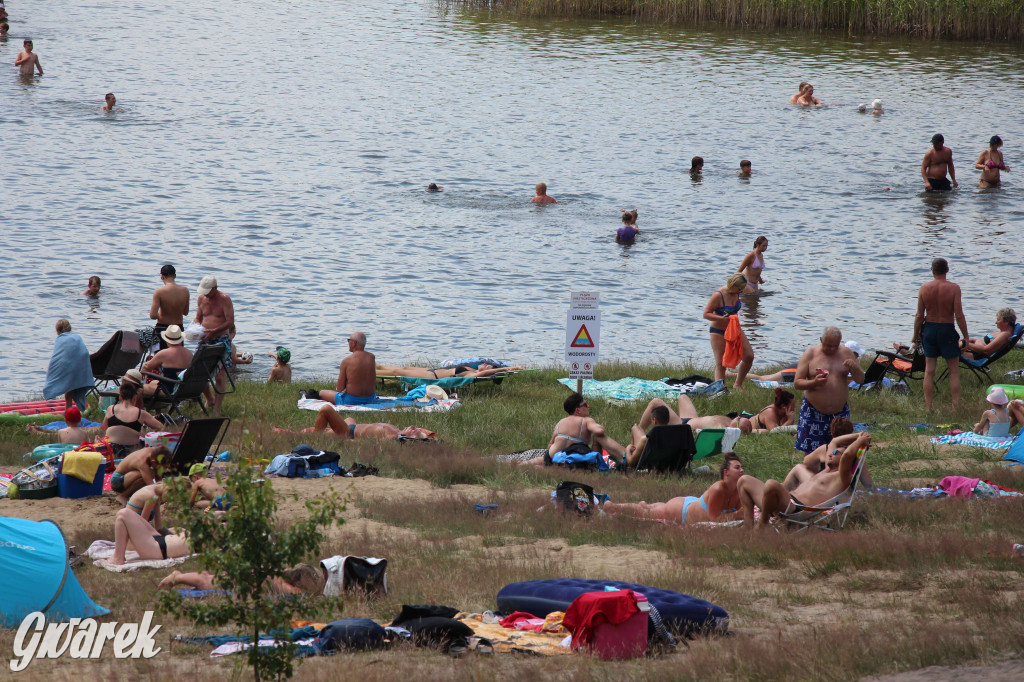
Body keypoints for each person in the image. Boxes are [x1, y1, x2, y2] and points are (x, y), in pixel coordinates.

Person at [739, 431, 870, 530]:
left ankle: (763, 523)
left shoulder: (842, 478)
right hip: (785, 500)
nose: (831, 453)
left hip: (795, 509)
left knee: (771, 484)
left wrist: (859, 442)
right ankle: (748, 524)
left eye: (836, 452)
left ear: (844, 461)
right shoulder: (826, 470)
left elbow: (847, 456)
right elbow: (834, 441)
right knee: (744, 480)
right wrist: (859, 434)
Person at [604, 453, 748, 525]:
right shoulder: (719, 489)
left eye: (742, 467)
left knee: (651, 509)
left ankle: (645, 504)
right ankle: (613, 506)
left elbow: (742, 512)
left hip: (692, 503)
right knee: (646, 514)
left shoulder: (738, 490)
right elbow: (714, 519)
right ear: (726, 473)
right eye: (737, 467)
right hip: (681, 511)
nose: (742, 470)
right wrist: (738, 515)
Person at [792, 327, 865, 453]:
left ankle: (836, 472)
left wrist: (855, 368)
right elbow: (797, 383)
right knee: (811, 454)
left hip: (839, 412)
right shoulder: (810, 354)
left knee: (840, 451)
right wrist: (814, 382)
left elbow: (860, 380)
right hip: (813, 411)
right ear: (821, 340)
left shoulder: (846, 353)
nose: (832, 349)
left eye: (835, 346)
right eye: (828, 346)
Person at [623, 397, 752, 467]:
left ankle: (636, 444)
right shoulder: (729, 420)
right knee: (683, 397)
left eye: (741, 422)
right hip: (689, 419)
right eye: (742, 418)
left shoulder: (722, 428)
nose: (741, 418)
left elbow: (725, 441)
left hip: (682, 428)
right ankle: (638, 442)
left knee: (655, 402)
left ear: (737, 430)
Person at [913, 258, 968, 411]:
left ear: (932, 271)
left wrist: (915, 334)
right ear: (947, 270)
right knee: (954, 371)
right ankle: (955, 407)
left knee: (929, 371)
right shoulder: (954, 288)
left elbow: (919, 315)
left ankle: (928, 407)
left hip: (930, 329)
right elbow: (959, 315)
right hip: (947, 329)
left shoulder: (924, 288)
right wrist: (966, 336)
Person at [520, 393, 625, 467]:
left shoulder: (560, 422)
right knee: (597, 439)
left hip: (552, 457)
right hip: (574, 457)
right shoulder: (586, 420)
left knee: (539, 461)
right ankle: (599, 465)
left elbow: (550, 445)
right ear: (577, 410)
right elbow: (599, 431)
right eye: (585, 404)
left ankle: (522, 465)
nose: (588, 406)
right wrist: (599, 426)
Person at [781, 417, 864, 490]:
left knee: (798, 468)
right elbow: (867, 482)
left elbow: (807, 462)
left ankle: (785, 490)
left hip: (825, 489)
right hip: (846, 491)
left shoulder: (827, 448)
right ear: (851, 433)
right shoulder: (857, 454)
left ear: (832, 434)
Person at [703, 273, 754, 390]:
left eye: (742, 289)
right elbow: (706, 314)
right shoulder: (718, 295)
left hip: (734, 328)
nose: (740, 292)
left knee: (749, 356)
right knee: (721, 364)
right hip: (718, 330)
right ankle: (720, 391)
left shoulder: (736, 292)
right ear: (733, 285)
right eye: (739, 289)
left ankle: (738, 384)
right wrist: (720, 318)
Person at [287, 403, 437, 440]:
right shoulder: (396, 430)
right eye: (414, 426)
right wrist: (425, 433)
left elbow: (372, 444)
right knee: (345, 420)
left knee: (326, 409)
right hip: (352, 426)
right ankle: (315, 433)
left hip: (348, 433)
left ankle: (315, 439)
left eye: (413, 430)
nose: (411, 426)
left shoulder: (392, 438)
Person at [195, 275, 234, 414]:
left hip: (220, 339)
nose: (206, 294)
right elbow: (198, 317)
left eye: (208, 291)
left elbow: (230, 322)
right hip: (205, 338)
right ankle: (209, 398)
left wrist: (214, 331)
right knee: (198, 371)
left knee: (220, 375)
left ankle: (217, 408)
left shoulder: (224, 299)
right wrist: (194, 330)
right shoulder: (201, 298)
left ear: (215, 288)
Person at [157, 563, 324, 595]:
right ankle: (177, 577)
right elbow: (296, 594)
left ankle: (178, 575)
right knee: (207, 582)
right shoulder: (279, 581)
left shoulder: (284, 572)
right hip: (242, 578)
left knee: (211, 578)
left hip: (244, 574)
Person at [101, 382, 167, 459]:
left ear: (120, 397)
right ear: (135, 398)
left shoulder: (110, 409)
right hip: (131, 451)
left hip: (110, 450)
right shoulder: (141, 413)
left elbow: (104, 427)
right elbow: (161, 428)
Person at [104, 508, 189, 566]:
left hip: (158, 549)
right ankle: (120, 552)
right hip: (159, 540)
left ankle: (118, 558)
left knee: (123, 514)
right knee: (123, 513)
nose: (203, 510)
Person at [315, 331, 377, 405]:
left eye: (349, 340)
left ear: (354, 343)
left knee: (322, 392)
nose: (348, 342)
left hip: (351, 400)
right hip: (370, 398)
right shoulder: (371, 357)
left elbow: (339, 388)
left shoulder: (346, 361)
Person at [44, 319, 93, 411]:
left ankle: (68, 411)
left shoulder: (60, 339)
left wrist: (51, 371)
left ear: (57, 331)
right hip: (82, 366)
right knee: (71, 388)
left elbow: (57, 357)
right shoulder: (77, 337)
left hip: (69, 365)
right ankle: (72, 410)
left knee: (68, 388)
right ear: (69, 328)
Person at [140, 325, 193, 396]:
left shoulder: (164, 353)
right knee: (154, 382)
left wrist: (141, 377)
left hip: (168, 390)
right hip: (183, 389)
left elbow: (146, 367)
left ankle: (139, 406)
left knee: (137, 388)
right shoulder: (189, 353)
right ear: (181, 339)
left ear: (166, 340)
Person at [150, 264, 189, 349]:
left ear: (162, 277)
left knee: (161, 357)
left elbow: (152, 315)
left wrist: (162, 315)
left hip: (162, 328)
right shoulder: (185, 291)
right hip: (178, 329)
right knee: (177, 356)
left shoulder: (159, 292)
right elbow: (185, 312)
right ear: (175, 276)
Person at [373, 362, 524, 380]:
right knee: (403, 368)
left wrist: (504, 369)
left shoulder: (473, 374)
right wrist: (514, 367)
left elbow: (482, 374)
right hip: (432, 370)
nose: (484, 364)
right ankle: (368, 362)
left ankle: (365, 372)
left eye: (488, 366)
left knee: (397, 371)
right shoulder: (471, 368)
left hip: (431, 376)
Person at [25, 406, 94, 444]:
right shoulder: (84, 433)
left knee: (51, 435)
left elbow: (55, 439)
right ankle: (39, 429)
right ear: (79, 420)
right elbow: (89, 445)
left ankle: (35, 431)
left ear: (66, 421)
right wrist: (42, 429)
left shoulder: (61, 432)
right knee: (55, 433)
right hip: (78, 456)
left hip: (67, 456)